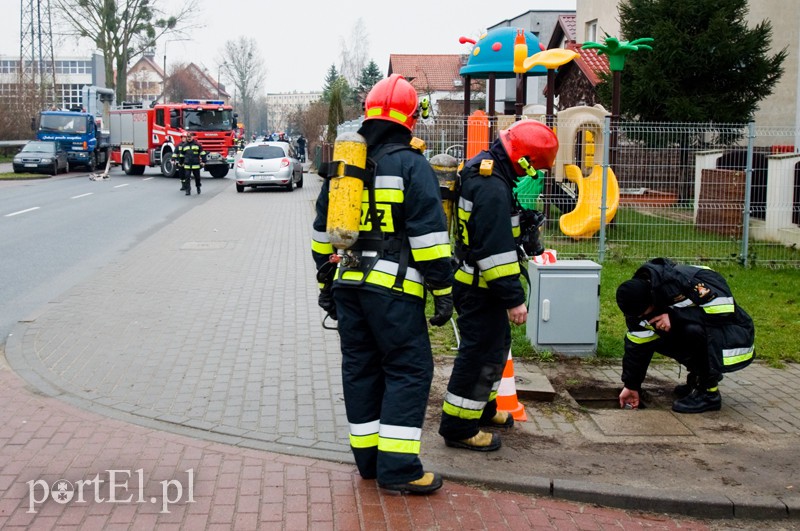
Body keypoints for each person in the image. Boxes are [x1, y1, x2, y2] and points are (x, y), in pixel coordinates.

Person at [311, 74, 452, 495]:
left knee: (361, 370)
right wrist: (443, 291)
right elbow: (428, 238)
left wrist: (325, 281)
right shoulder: (412, 164)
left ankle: (369, 463)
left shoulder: (345, 166)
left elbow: (323, 232)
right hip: (394, 292)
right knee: (408, 370)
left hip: (347, 287)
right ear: (409, 119)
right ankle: (400, 469)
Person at [438, 120, 559, 452]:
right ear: (521, 158)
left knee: (494, 346)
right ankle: (459, 426)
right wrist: (514, 299)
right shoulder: (492, 186)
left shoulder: (489, 173)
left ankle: (483, 408)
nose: (531, 174)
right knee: (477, 353)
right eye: (533, 167)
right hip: (481, 287)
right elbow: (494, 251)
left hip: (480, 283)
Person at [616, 258, 756, 413]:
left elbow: (724, 310)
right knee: (657, 336)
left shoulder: (681, 280)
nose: (641, 317)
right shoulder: (638, 304)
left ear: (651, 300)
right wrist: (631, 385)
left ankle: (709, 393)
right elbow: (637, 346)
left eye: (643, 313)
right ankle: (697, 378)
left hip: (731, 333)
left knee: (692, 331)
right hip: (707, 332)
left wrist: (674, 317)